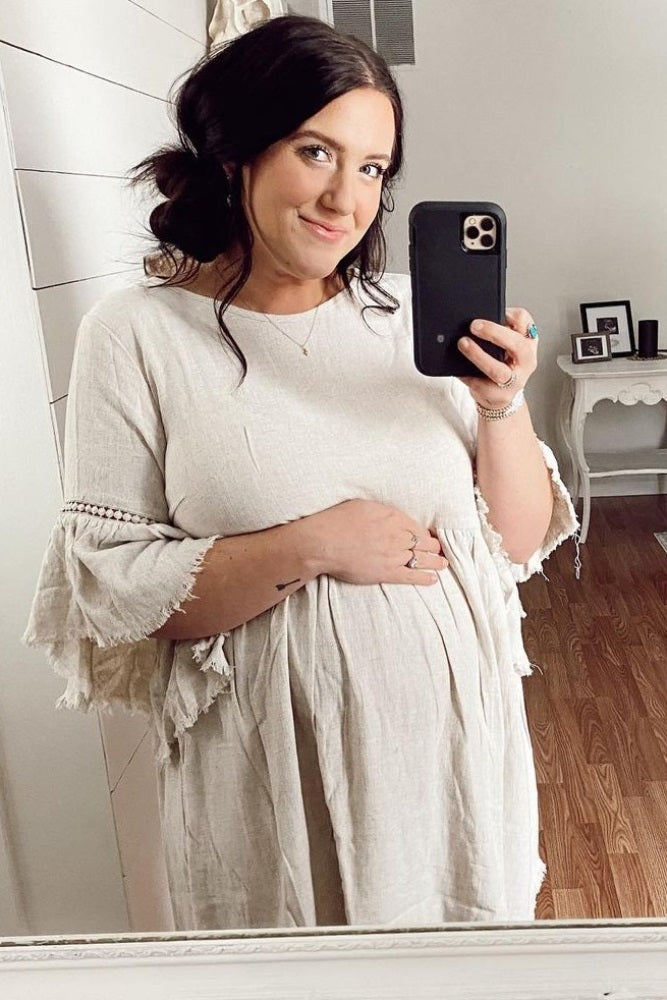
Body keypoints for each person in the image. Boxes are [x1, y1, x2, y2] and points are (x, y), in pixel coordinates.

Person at [22, 14, 577, 931]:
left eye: (371, 169)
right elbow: (116, 591)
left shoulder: (412, 322)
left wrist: (500, 406)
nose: (343, 199)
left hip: (451, 769)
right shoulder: (138, 335)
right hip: (266, 788)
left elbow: (512, 544)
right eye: (315, 151)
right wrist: (313, 544)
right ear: (235, 153)